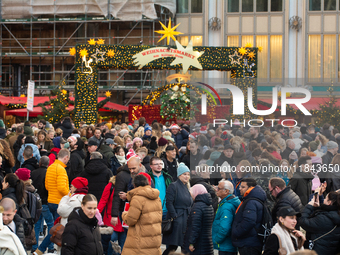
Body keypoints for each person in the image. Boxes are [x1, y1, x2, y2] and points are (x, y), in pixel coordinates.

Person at [121, 174, 162, 255]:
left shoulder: (137, 198)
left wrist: (124, 214)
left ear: (134, 185)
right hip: (154, 238)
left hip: (140, 240)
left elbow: (131, 220)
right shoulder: (157, 198)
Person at [162, 163, 193, 255]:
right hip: (177, 220)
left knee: (184, 245)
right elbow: (169, 203)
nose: (186, 176)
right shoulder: (174, 186)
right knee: (173, 246)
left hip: (185, 219)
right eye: (184, 174)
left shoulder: (186, 187)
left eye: (188, 174)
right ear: (179, 175)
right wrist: (175, 216)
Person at [232, 178, 267, 255]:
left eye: (243, 187)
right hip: (252, 241)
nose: (240, 189)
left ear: (250, 188)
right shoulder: (253, 199)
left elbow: (249, 221)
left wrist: (236, 232)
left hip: (248, 243)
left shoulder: (251, 202)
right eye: (240, 186)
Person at [31, 156, 55, 254]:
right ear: (48, 163)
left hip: (36, 202)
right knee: (51, 225)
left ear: (40, 163)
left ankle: (34, 246)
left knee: (36, 225)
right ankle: (50, 246)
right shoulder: (49, 173)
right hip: (46, 202)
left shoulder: (33, 173)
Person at [182, 184, 214, 255]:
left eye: (192, 194)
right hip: (207, 243)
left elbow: (195, 226)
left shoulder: (197, 206)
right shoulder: (209, 205)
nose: (191, 196)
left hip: (198, 245)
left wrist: (191, 243)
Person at [97, 176, 125, 255]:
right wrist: (96, 214)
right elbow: (103, 200)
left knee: (124, 246)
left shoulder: (128, 186)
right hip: (111, 220)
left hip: (124, 220)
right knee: (111, 245)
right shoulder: (111, 186)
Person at [212, 180, 240, 255]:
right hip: (228, 245)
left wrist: (217, 240)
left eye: (219, 188)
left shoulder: (226, 206)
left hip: (226, 246)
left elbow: (225, 227)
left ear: (226, 191)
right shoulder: (227, 202)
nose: (216, 190)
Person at [45, 148, 70, 220]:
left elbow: (47, 186)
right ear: (66, 157)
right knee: (59, 227)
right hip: (59, 202)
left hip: (50, 200)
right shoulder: (61, 169)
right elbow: (61, 188)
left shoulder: (50, 167)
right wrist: (70, 195)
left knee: (54, 226)